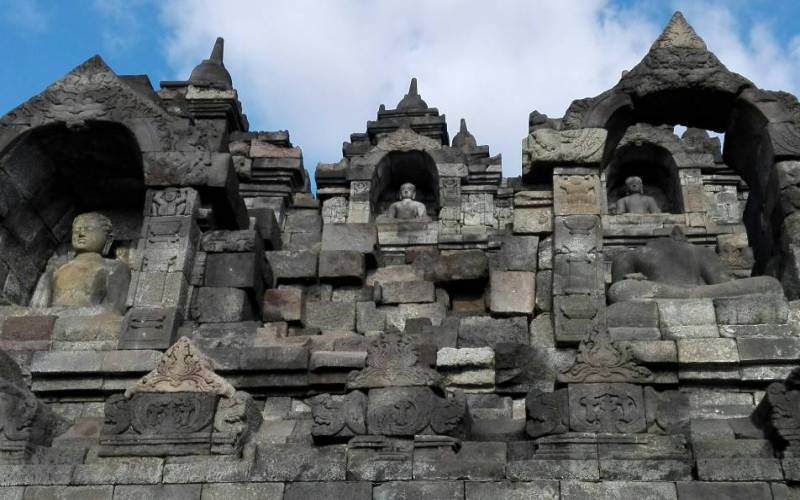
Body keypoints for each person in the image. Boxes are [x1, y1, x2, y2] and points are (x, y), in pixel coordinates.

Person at [37, 212, 130, 312]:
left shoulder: (115, 268)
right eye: (76, 230)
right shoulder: (56, 269)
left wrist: (68, 313)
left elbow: (113, 310)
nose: (80, 234)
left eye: (88, 229)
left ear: (108, 239)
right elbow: (36, 311)